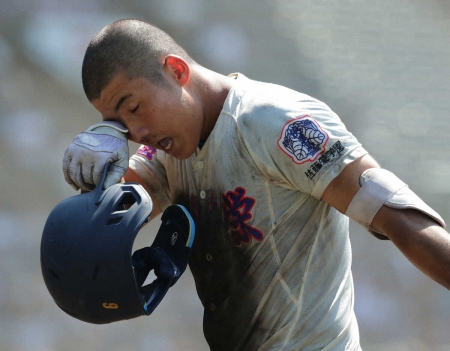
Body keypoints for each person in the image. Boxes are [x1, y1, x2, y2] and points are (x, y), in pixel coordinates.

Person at [62, 19, 450, 351]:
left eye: (133, 108)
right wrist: (101, 166)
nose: (137, 132)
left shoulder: (271, 121)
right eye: (121, 125)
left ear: (177, 71)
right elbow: (104, 229)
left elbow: (393, 211)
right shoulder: (165, 149)